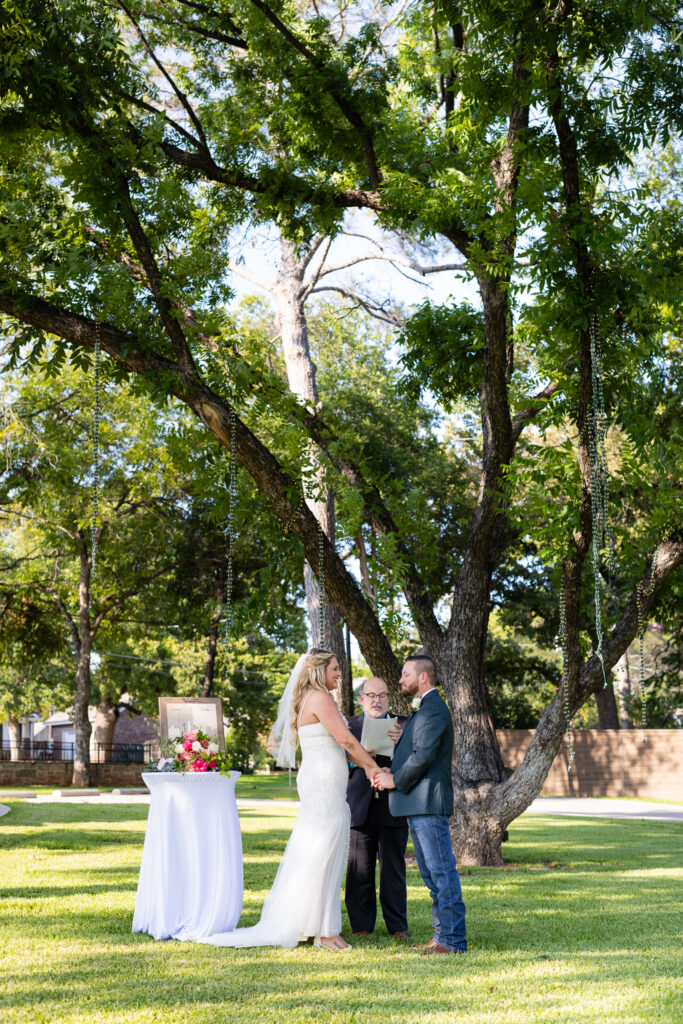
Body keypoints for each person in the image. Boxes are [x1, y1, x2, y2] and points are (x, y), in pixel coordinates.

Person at [200, 648, 381, 952]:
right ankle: (324, 932)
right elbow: (347, 741)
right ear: (320, 670)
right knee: (323, 850)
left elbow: (344, 746)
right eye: (335, 668)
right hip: (323, 780)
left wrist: (368, 764)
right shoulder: (320, 698)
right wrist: (374, 767)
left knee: (319, 849)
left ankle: (314, 925)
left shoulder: (310, 698)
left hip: (322, 777)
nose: (339, 673)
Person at [373, 655, 467, 955]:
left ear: (422, 677)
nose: (400, 680)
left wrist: (393, 781)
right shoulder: (424, 710)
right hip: (417, 803)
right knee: (431, 874)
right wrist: (393, 767)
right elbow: (416, 749)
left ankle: (452, 941)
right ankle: (441, 936)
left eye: (405, 674)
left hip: (427, 802)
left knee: (441, 872)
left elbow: (424, 757)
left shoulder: (433, 710)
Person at [344, 677, 409, 939]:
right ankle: (361, 925)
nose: (376, 700)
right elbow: (339, 761)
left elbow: (418, 759)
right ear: (362, 699)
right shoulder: (349, 726)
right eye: (371, 695)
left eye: (382, 695)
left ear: (389, 699)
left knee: (393, 868)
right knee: (359, 867)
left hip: (393, 805)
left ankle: (397, 927)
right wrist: (357, 759)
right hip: (360, 803)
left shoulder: (405, 725)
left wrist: (402, 743)